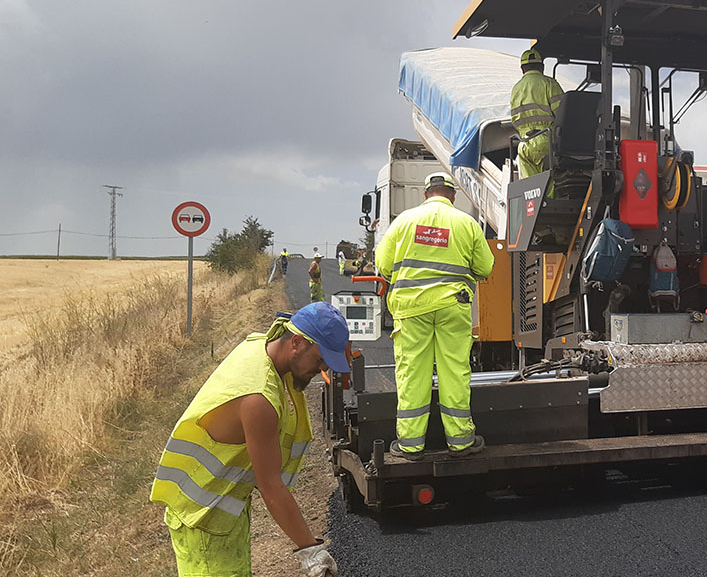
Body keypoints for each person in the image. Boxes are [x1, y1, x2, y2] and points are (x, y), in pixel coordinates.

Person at [150, 302, 349, 577]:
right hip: (204, 517)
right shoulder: (258, 401)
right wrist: (310, 550)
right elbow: (270, 486)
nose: (322, 368)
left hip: (225, 506)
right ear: (297, 343)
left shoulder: (259, 346)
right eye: (319, 360)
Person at [375, 172, 494, 459]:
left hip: (411, 310)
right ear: (452, 195)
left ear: (426, 194)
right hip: (453, 307)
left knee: (413, 374)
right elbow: (485, 268)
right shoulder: (466, 223)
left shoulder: (403, 221)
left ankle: (411, 445)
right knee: (455, 371)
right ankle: (461, 441)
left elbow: (383, 265)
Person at [510, 48, 564, 187]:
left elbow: (515, 120)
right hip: (545, 142)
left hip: (523, 144)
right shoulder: (550, 84)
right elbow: (563, 115)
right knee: (550, 185)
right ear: (542, 66)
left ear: (522, 68)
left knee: (531, 189)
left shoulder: (516, 89)